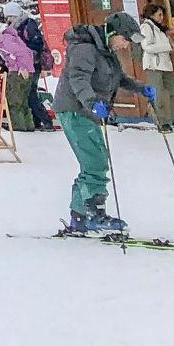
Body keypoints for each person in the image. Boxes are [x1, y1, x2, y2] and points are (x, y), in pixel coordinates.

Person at [56, 12, 154, 234]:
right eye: (126, 39)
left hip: (87, 111)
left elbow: (119, 78)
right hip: (75, 110)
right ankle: (94, 214)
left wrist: (141, 89)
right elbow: (78, 78)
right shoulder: (85, 48)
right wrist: (92, 103)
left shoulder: (105, 50)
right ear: (113, 33)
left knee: (94, 159)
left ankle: (79, 216)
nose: (126, 45)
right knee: (95, 161)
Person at [5, 2, 57, 130]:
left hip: (32, 64)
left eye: (9, 17)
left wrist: (26, 54)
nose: (8, 20)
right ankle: (38, 120)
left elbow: (36, 43)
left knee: (30, 93)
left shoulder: (28, 25)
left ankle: (45, 120)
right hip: (26, 64)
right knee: (29, 93)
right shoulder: (20, 26)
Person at [0, 19, 37, 132]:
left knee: (14, 100)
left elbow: (20, 53)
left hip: (17, 72)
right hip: (27, 70)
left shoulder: (2, 39)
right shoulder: (12, 37)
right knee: (23, 101)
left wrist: (22, 68)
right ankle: (28, 125)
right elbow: (27, 52)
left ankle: (18, 126)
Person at [140, 5, 174, 131]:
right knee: (158, 93)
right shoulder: (146, 27)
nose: (162, 18)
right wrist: (168, 46)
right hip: (153, 65)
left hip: (165, 64)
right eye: (159, 15)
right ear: (151, 15)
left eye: (162, 15)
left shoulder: (160, 28)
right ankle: (162, 122)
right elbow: (147, 47)